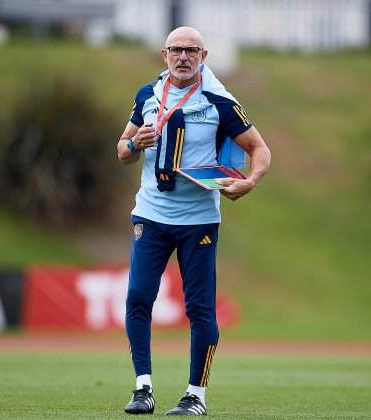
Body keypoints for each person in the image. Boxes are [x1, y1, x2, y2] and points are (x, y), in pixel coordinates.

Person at [117, 26, 271, 416]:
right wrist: (136, 144)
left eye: (191, 51)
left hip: (199, 220)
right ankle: (142, 389)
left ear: (203, 56)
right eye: (175, 50)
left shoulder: (219, 100)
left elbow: (259, 148)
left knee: (200, 308)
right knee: (138, 299)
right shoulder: (147, 96)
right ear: (164, 55)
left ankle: (195, 396)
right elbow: (122, 150)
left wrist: (250, 181)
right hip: (150, 215)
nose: (182, 57)